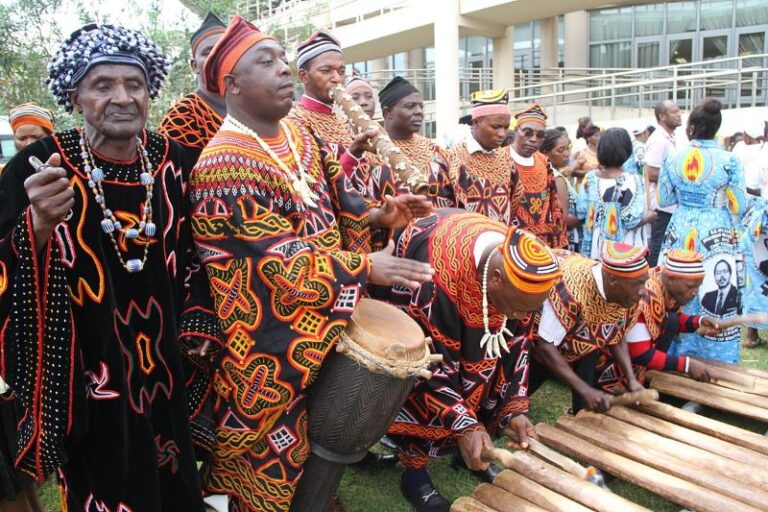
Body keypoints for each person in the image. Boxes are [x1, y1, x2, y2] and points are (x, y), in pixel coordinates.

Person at [190, 17, 435, 511]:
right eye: (268, 62)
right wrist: (363, 268)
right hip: (268, 345)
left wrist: (379, 214)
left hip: (323, 324)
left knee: (318, 456)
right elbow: (278, 265)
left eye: (283, 59)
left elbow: (340, 203)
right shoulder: (222, 165)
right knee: (267, 473)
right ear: (232, 85)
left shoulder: (301, 139)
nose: (283, 69)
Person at [0, 23, 216, 510]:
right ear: (75, 96)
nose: (122, 97)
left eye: (134, 85)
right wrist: (34, 228)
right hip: (87, 370)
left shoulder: (177, 162)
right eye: (103, 85)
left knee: (175, 475)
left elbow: (204, 249)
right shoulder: (37, 166)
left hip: (166, 361)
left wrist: (199, 314)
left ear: (149, 93)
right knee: (106, 476)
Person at [384, 210, 562, 512]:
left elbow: (518, 341)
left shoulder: (521, 281)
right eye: (519, 308)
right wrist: (464, 424)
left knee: (483, 375)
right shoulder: (435, 277)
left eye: (529, 309)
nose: (521, 316)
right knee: (424, 387)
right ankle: (414, 472)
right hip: (432, 309)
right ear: (495, 280)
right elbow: (428, 363)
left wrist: (515, 405)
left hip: (474, 287)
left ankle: (473, 454)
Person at [659, 98, 746, 364]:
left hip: (680, 230)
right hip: (717, 234)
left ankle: (671, 355)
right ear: (717, 128)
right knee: (713, 289)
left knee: (673, 291)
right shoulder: (730, 161)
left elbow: (664, 200)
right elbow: (740, 205)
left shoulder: (674, 157)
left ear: (692, 126)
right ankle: (717, 359)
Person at [530, 241, 648, 414]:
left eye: (644, 282)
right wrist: (586, 391)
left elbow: (616, 333)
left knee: (588, 351)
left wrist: (631, 379)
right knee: (525, 382)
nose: (642, 291)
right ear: (613, 281)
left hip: (579, 336)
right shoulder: (570, 290)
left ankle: (580, 413)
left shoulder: (627, 295)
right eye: (637, 284)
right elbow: (545, 347)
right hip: (537, 340)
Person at [594, 249, 723, 392]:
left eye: (698, 287)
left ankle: (645, 375)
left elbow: (667, 319)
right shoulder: (645, 295)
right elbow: (639, 353)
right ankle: (623, 382)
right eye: (690, 286)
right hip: (607, 359)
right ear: (671, 279)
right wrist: (686, 365)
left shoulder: (664, 286)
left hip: (629, 352)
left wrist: (699, 321)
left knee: (672, 320)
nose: (695, 292)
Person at [158, 12, 227, 162]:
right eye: (208, 52)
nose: (217, 57)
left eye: (224, 51)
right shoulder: (183, 115)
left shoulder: (250, 107)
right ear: (195, 66)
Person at [442, 89, 517, 223]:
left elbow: (515, 200)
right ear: (475, 123)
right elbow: (445, 211)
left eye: (506, 128)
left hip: (502, 238)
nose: (502, 134)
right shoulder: (453, 159)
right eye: (495, 127)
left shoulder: (506, 159)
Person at [579, 127, 653, 257]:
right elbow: (631, 221)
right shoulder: (633, 181)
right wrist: (649, 218)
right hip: (622, 252)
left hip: (595, 250)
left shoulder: (590, 178)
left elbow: (581, 211)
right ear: (627, 151)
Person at [378, 76, 451, 205]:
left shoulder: (434, 150)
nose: (419, 112)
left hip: (440, 222)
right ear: (388, 112)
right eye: (410, 106)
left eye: (421, 107)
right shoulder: (372, 152)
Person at [507, 104, 567, 248]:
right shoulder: (500, 159)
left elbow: (554, 205)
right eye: (527, 132)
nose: (533, 139)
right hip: (511, 242)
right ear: (516, 131)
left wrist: (558, 242)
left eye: (540, 135)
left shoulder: (543, 161)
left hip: (543, 244)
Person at [645, 99, 683, 267]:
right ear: (662, 116)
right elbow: (651, 172)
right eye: (674, 112)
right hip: (661, 206)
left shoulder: (669, 137)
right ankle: (652, 282)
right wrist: (680, 176)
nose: (679, 114)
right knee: (658, 244)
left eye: (678, 110)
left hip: (669, 204)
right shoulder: (659, 139)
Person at [540, 128, 583, 252]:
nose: (567, 154)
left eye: (567, 148)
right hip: (564, 240)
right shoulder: (556, 178)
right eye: (561, 150)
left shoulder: (541, 172)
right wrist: (586, 216)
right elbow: (563, 218)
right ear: (545, 153)